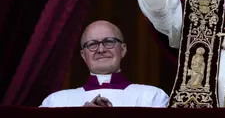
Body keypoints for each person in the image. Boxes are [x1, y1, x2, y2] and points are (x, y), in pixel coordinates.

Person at [40, 20, 169, 107]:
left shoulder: (152, 98)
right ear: (84, 55)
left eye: (108, 42)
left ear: (123, 50)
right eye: (92, 44)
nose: (101, 50)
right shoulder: (56, 102)